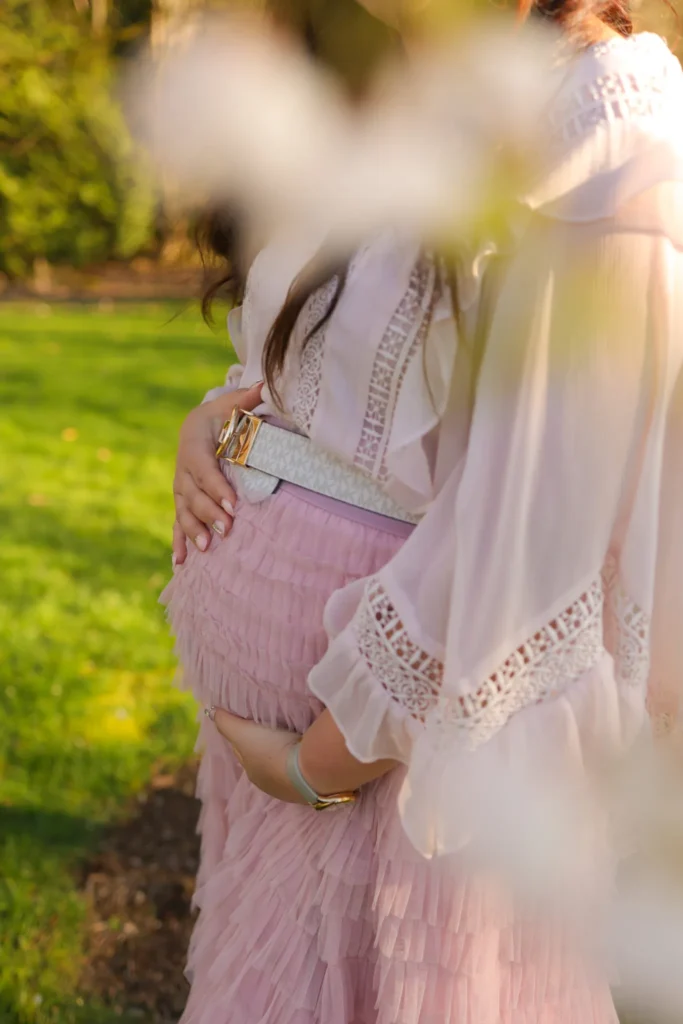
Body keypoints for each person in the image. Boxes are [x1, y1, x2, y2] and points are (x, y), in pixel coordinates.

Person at [161, 0, 683, 1020]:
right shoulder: (396, 86)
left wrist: (318, 763)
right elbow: (331, 361)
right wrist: (223, 425)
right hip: (286, 762)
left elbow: (538, 521)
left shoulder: (597, 124)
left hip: (392, 767)